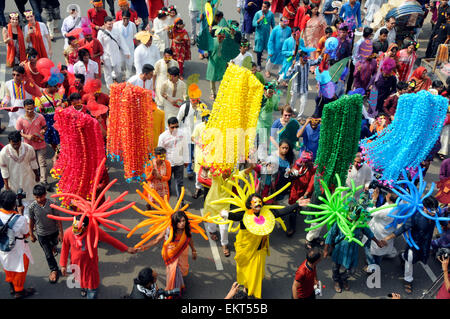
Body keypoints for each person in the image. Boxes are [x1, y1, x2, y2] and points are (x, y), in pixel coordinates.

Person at [220, 193, 309, 298]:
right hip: (245, 250)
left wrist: (297, 204)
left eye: (259, 201)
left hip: (259, 250)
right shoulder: (245, 215)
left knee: (255, 272)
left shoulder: (267, 214)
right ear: (249, 205)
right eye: (255, 202)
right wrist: (226, 214)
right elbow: (235, 216)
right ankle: (246, 286)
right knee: (245, 271)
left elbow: (281, 212)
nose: (258, 204)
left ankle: (250, 288)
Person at [60, 215, 137, 299]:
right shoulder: (68, 232)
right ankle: (84, 288)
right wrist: (63, 265)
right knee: (80, 280)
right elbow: (65, 248)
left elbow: (110, 239)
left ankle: (91, 292)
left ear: (85, 227)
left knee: (92, 286)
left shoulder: (94, 230)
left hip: (90, 265)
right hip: (76, 264)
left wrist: (126, 248)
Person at [324, 204, 385, 293]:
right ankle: (336, 281)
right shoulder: (340, 221)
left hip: (352, 251)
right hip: (339, 249)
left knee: (351, 270)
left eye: (353, 218)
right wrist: (326, 249)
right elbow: (330, 234)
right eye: (349, 218)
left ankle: (343, 279)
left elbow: (369, 233)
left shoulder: (360, 224)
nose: (350, 220)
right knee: (335, 267)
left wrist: (377, 242)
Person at [138, 210, 197, 294]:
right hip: (170, 254)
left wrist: (193, 250)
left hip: (182, 252)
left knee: (182, 269)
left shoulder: (187, 228)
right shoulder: (169, 230)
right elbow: (156, 240)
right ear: (174, 222)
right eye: (179, 221)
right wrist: (143, 247)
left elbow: (189, 239)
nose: (182, 223)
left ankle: (178, 282)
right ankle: (173, 289)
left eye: (183, 221)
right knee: (173, 272)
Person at [0, 190, 35, 299]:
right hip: (18, 249)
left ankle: (12, 286)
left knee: (8, 266)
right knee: (20, 269)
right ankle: (19, 291)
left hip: (3, 248)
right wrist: (20, 214)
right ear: (14, 204)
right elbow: (26, 233)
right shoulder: (20, 219)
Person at [28, 184, 63, 284]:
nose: (39, 199)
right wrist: (31, 234)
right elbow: (31, 221)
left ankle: (53, 247)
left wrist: (61, 233)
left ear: (45, 194)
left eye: (41, 196)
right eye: (36, 197)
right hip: (41, 234)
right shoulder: (32, 207)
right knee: (48, 254)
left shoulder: (52, 204)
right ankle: (54, 269)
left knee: (54, 244)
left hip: (53, 232)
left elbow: (58, 219)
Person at [15, 99, 49, 190]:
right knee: (31, 164)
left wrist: (43, 130)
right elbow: (18, 133)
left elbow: (45, 126)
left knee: (42, 163)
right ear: (24, 108)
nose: (30, 111)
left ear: (34, 107)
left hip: (40, 143)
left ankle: (44, 181)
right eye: (27, 109)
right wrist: (26, 136)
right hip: (28, 146)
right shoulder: (20, 119)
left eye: (31, 109)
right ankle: (34, 181)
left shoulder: (40, 117)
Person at [0, 131, 39, 207]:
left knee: (29, 199)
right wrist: (6, 185)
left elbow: (34, 163)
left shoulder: (29, 148)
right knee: (15, 201)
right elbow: (4, 170)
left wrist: (37, 175)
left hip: (28, 178)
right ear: (9, 142)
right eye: (13, 144)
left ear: (20, 141)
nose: (16, 146)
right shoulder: (3, 153)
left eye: (18, 143)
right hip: (13, 180)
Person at [364, 188, 398, 269]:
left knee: (369, 248)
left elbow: (370, 211)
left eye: (387, 195)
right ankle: (376, 264)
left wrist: (374, 198)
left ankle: (372, 267)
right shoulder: (398, 206)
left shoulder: (386, 210)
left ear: (388, 198)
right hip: (387, 233)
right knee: (380, 252)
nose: (386, 195)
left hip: (378, 233)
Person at [177, 84, 205, 181]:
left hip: (198, 136)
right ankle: (189, 170)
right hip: (187, 135)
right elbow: (178, 119)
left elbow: (206, 120)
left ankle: (198, 171)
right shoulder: (185, 107)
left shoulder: (202, 107)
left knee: (197, 154)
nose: (194, 103)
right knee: (189, 153)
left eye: (196, 101)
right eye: (193, 101)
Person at [158, 117, 190, 199]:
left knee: (179, 183)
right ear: (168, 126)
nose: (175, 129)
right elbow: (160, 151)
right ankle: (166, 202)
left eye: (177, 127)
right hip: (168, 163)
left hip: (179, 162)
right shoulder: (163, 136)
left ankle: (181, 203)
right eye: (172, 127)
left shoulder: (182, 134)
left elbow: (185, 147)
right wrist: (161, 164)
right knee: (167, 183)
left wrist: (187, 160)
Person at [286, 51, 322, 119]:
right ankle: (290, 113)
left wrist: (322, 54)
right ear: (300, 58)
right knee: (292, 102)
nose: (305, 60)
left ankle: (299, 117)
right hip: (295, 88)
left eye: (306, 58)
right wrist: (292, 66)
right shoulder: (296, 65)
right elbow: (288, 74)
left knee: (303, 103)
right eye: (304, 58)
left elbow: (317, 62)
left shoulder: (308, 62)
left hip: (304, 88)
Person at [97, 16, 130, 88]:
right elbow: (100, 45)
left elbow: (122, 41)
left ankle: (114, 76)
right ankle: (110, 88)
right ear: (104, 24)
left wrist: (126, 52)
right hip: (106, 55)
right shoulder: (101, 32)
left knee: (118, 70)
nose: (110, 26)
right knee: (107, 72)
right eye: (108, 24)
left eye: (111, 24)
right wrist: (101, 58)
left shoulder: (116, 30)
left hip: (116, 54)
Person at [34, 81, 64, 155]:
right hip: (47, 120)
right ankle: (57, 151)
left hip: (57, 119)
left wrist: (62, 104)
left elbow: (64, 103)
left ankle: (58, 152)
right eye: (53, 86)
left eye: (56, 86)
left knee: (58, 137)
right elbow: (35, 109)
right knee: (50, 138)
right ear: (48, 86)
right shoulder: (39, 96)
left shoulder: (57, 94)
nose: (55, 88)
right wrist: (41, 108)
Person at [113, 10, 137, 80]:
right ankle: (116, 77)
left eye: (127, 18)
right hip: (120, 50)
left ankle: (128, 80)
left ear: (130, 18)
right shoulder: (116, 25)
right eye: (124, 18)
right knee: (120, 64)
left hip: (130, 48)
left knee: (129, 65)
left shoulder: (132, 25)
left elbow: (135, 36)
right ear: (121, 17)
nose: (126, 20)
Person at [252, 1, 275, 71]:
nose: (263, 8)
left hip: (266, 35)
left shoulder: (271, 14)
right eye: (262, 6)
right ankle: (258, 64)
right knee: (259, 49)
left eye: (265, 7)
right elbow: (253, 23)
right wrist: (259, 20)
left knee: (267, 49)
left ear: (268, 8)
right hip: (259, 34)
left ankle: (268, 65)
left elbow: (273, 24)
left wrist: (275, 33)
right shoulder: (258, 13)